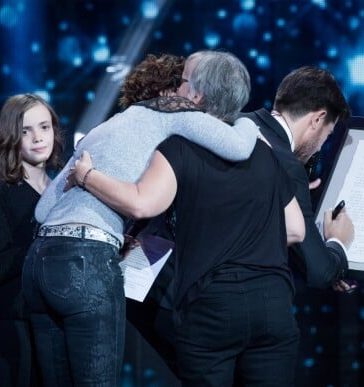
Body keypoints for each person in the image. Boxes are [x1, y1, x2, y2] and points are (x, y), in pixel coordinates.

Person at [66, 49, 306, 387]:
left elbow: (140, 204)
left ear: (196, 95)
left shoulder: (179, 149)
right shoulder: (263, 151)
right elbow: (295, 229)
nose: (175, 91)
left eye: (180, 83)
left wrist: (86, 176)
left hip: (213, 305)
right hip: (274, 303)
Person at [21, 52, 260, 386]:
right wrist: (251, 121)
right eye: (181, 81)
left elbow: (42, 210)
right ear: (197, 95)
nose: (180, 87)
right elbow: (238, 147)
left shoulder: (109, 125)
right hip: (86, 263)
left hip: (38, 263)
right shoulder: (179, 112)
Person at [242, 66, 355, 291]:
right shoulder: (288, 166)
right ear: (317, 119)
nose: (320, 147)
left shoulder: (236, 121)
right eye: (327, 134)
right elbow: (319, 270)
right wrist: (337, 242)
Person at [0, 93, 65, 387]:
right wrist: (50, 238)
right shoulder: (1, 191)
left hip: (57, 317)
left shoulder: (63, 191)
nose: (38, 138)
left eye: (44, 127)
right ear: (10, 136)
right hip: (16, 321)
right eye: (25, 131)